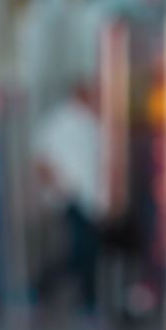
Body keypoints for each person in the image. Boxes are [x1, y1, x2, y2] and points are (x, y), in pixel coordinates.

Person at [31, 79, 109, 316]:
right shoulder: (58, 122)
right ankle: (46, 287)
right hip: (69, 196)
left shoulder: (94, 123)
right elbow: (41, 160)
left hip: (91, 197)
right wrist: (60, 187)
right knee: (82, 250)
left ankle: (87, 301)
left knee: (88, 250)